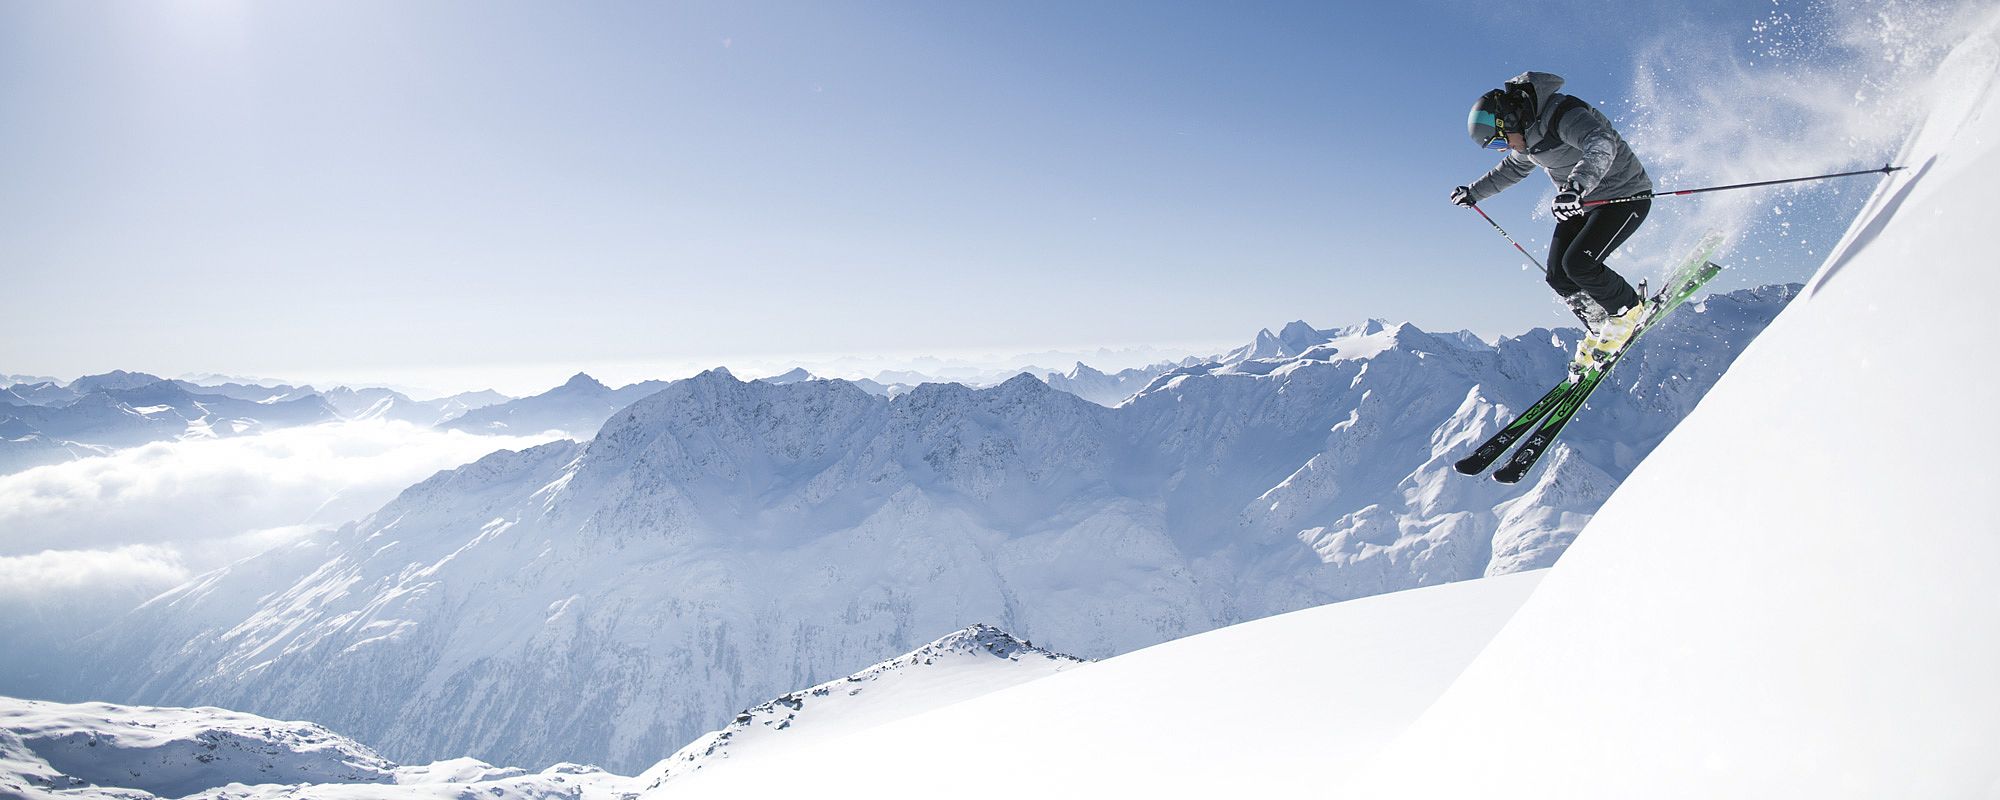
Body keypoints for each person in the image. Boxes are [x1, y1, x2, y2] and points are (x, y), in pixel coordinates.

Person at [1450, 71, 1654, 356]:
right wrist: (1473, 192)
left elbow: (1601, 141)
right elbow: (1512, 169)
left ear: (1508, 120)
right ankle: (1600, 325)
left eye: (1499, 141)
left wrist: (1576, 186)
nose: (1505, 148)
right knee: (1558, 276)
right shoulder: (1527, 134)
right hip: (1580, 202)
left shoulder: (1562, 114)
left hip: (1623, 196)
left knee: (1579, 264)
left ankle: (1628, 311)